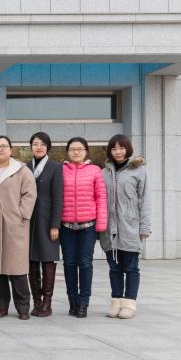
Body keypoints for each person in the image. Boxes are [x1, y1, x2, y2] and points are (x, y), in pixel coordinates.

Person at [0, 136, 37, 320]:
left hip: (16, 225)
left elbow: (30, 194)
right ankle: (1, 306)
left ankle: (23, 307)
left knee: (17, 269)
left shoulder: (21, 170)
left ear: (11, 150)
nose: (0, 149)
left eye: (4, 146)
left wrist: (22, 214)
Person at [101, 134, 150, 319]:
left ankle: (129, 303)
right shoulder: (104, 173)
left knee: (131, 267)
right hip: (109, 228)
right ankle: (116, 301)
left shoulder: (139, 171)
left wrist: (144, 227)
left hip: (130, 227)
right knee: (114, 268)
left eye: (121, 148)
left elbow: (145, 201)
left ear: (127, 149)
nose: (118, 152)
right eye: (114, 149)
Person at [60, 136, 108, 318]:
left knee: (85, 263)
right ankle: (72, 301)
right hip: (66, 227)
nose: (76, 152)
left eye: (80, 149)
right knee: (69, 264)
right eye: (72, 149)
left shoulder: (95, 171)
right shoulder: (61, 170)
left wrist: (101, 224)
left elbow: (101, 198)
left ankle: (83, 303)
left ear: (86, 151)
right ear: (68, 151)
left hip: (88, 227)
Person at [27, 132, 63, 317]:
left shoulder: (55, 167)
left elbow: (58, 198)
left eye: (42, 144)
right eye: (35, 144)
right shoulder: (26, 167)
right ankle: (37, 302)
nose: (38, 147)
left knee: (48, 260)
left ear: (48, 147)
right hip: (29, 221)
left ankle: (47, 303)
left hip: (47, 221)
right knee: (31, 261)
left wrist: (55, 224)